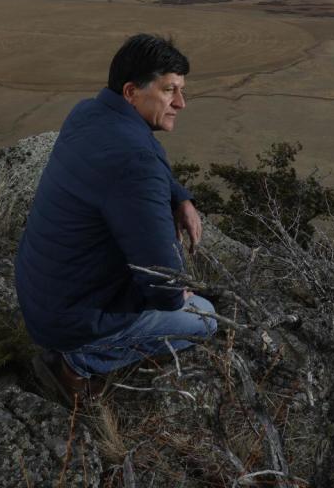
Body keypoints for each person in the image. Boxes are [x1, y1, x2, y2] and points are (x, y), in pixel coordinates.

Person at [15, 34, 217, 401]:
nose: (181, 103)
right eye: (169, 90)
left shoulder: (87, 114)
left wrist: (180, 196)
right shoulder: (135, 161)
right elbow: (161, 278)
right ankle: (80, 364)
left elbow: (142, 163)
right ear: (130, 92)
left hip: (40, 297)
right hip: (73, 322)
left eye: (182, 90)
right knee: (205, 317)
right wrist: (177, 294)